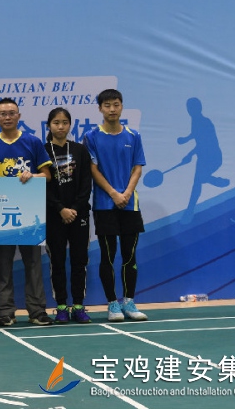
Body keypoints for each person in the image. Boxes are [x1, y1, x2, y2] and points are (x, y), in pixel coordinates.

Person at [0, 98, 53, 327]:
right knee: (3, 265)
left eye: (11, 113)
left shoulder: (33, 142)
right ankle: (6, 312)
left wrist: (32, 175)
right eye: (3, 114)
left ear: (19, 116)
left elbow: (47, 176)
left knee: (33, 263)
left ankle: (37, 311)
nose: (7, 117)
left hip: (29, 213)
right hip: (1, 214)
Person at [83, 89, 148, 322]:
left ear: (122, 107)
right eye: (107, 105)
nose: (112, 109)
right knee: (108, 256)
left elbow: (137, 167)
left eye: (116, 104)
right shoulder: (91, 136)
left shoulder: (133, 135)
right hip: (104, 205)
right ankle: (112, 304)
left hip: (129, 204)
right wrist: (113, 193)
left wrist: (127, 193)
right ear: (100, 108)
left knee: (129, 256)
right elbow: (92, 169)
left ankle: (129, 302)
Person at [44, 107, 92, 324]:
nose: (60, 126)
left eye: (64, 122)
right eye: (56, 123)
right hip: (54, 215)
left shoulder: (80, 150)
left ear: (70, 125)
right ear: (49, 125)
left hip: (78, 214)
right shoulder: (43, 151)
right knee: (58, 262)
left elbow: (86, 183)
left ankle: (79, 306)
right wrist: (60, 208)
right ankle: (62, 306)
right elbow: (44, 185)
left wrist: (74, 208)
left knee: (79, 261)